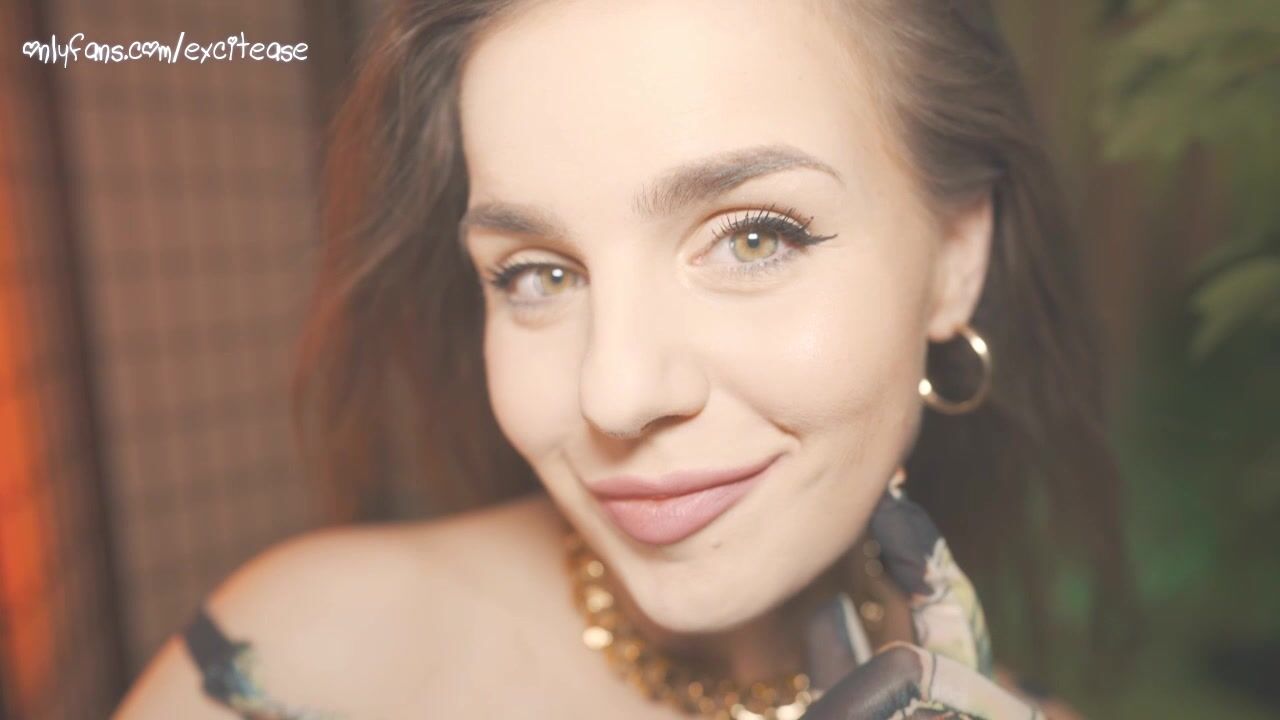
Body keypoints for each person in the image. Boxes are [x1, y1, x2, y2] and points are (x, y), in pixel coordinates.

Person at [115, 0, 1130, 717]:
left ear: (953, 259)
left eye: (753, 238)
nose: (614, 390)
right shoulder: (309, 659)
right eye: (538, 273)